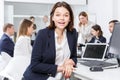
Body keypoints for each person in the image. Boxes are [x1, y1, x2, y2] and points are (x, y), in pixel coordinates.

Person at [24, 1, 77, 80]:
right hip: (38, 77)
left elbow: (74, 56)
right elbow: (34, 65)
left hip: (60, 77)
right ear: (52, 17)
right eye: (58, 15)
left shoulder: (72, 33)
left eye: (66, 15)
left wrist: (70, 62)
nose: (62, 18)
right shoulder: (42, 34)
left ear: (69, 18)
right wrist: (61, 68)